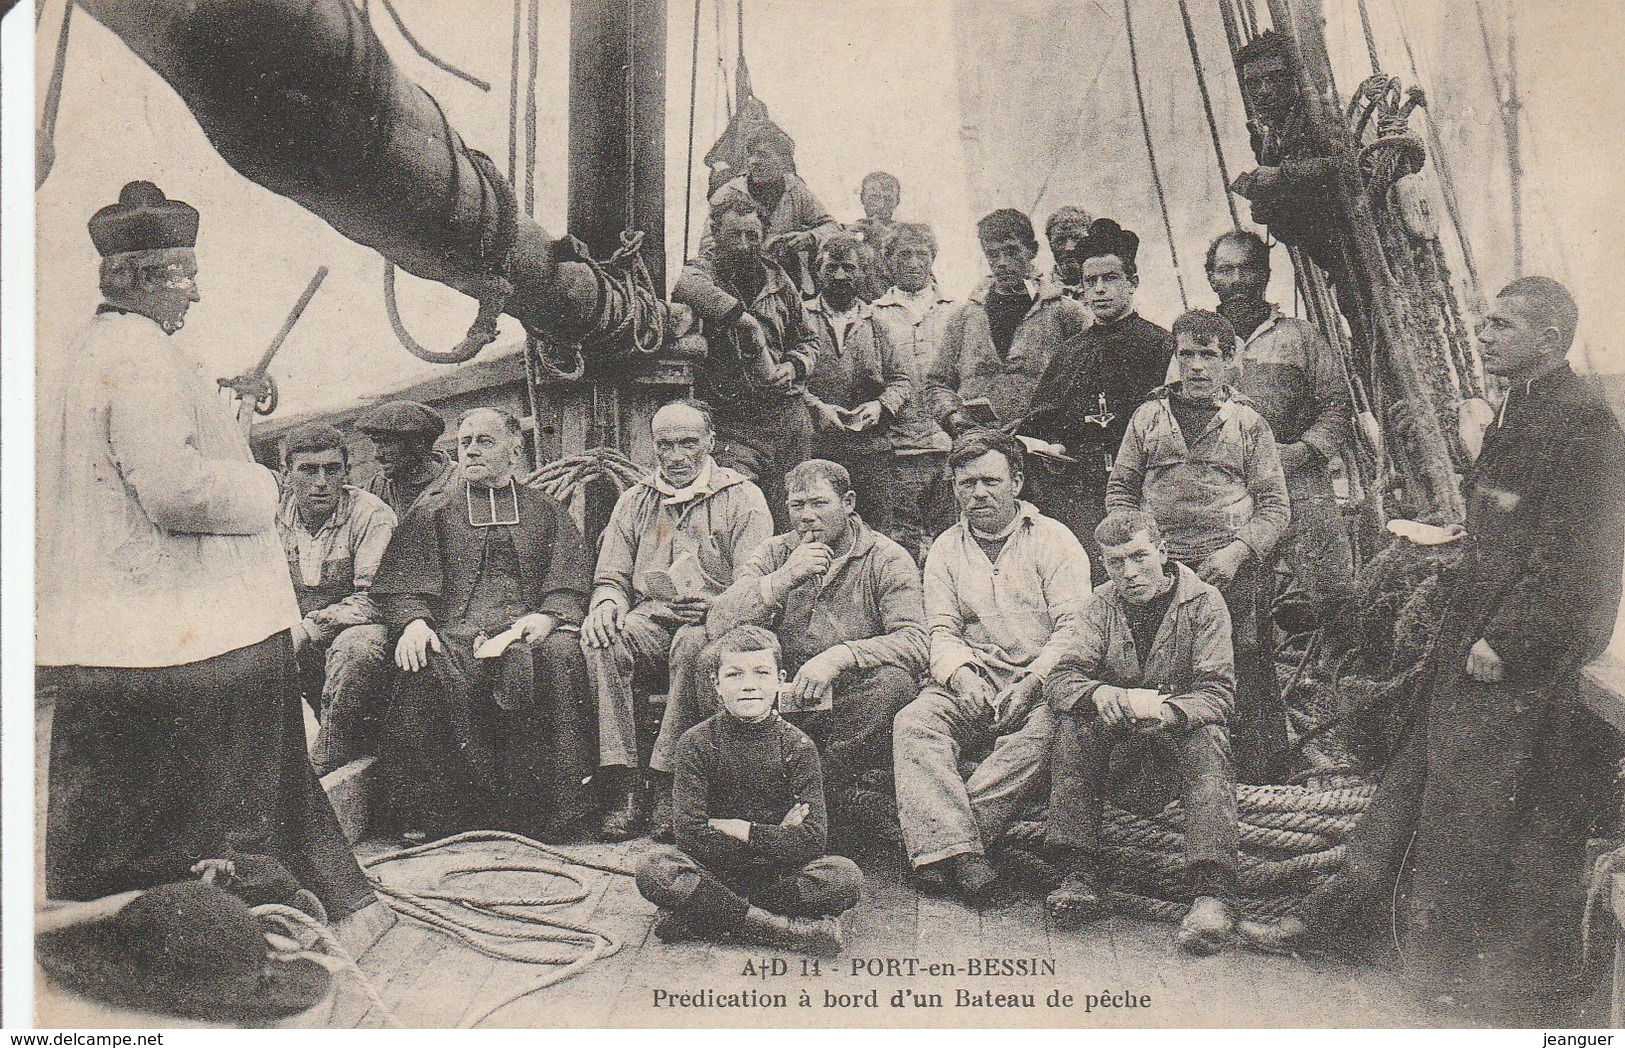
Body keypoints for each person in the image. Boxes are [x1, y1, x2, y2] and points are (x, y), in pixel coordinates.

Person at [1239, 277, 1625, 1023]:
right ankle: (1340, 928)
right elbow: (1506, 531)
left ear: (1547, 341)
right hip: (1468, 641)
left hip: (1511, 660)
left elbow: (1577, 560)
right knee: (1408, 784)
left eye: (1499, 325)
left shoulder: (1584, 429)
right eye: (1481, 321)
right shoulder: (1524, 410)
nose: (1480, 334)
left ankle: (1452, 983)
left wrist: (1507, 641)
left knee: (1471, 814)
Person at [37, 181, 373, 917]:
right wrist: (261, 486)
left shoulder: (97, 349)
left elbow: (140, 467)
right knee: (241, 769)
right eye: (184, 275)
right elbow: (172, 492)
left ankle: (118, 913)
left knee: (121, 808)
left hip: (118, 629)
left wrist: (231, 420)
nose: (196, 291)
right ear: (143, 279)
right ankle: (243, 904)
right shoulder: (143, 356)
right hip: (180, 633)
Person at [370, 407, 596, 841]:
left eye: (484, 442)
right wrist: (415, 622)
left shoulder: (547, 512)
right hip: (455, 631)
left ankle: (551, 815)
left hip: (528, 631)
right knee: (421, 662)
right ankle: (430, 815)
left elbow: (568, 581)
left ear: (515, 452)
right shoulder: (432, 511)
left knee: (562, 656)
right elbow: (403, 586)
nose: (471, 450)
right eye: (465, 442)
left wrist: (548, 616)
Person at [893, 431, 1092, 901]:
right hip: (973, 680)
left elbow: (1074, 630)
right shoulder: (945, 547)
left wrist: (1033, 682)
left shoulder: (1054, 540)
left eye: (990, 481)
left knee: (1041, 740)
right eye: (966, 484)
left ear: (1017, 482)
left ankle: (951, 846)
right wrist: (962, 675)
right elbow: (939, 629)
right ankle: (967, 855)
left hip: (1042, 679)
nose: (978, 494)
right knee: (914, 722)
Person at [1041, 511, 1240, 955]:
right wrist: (1098, 694)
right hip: (1121, 741)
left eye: (1139, 557)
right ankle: (1079, 873)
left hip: (1177, 736)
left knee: (1209, 738)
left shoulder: (1204, 602)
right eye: (1115, 563)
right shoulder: (1100, 605)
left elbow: (1219, 693)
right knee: (1075, 725)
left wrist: (1172, 712)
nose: (1129, 574)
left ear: (1162, 553)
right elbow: (1061, 678)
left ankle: (1211, 891)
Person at [1107, 309, 1290, 784]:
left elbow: (1275, 507)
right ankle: (1164, 776)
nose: (1196, 368)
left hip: (1229, 567)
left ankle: (1260, 775)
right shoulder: (1149, 416)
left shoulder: (1248, 424)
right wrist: (1138, 548)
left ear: (1230, 359)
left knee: (1244, 658)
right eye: (1186, 355)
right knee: (1155, 665)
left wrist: (1236, 553)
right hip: (1160, 566)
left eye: (1208, 356)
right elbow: (1121, 491)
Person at [583, 400, 774, 842]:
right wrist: (607, 603)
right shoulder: (636, 500)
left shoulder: (743, 497)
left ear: (710, 442)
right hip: (650, 618)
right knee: (603, 641)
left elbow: (755, 581)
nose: (676, 456)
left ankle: (669, 782)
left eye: (688, 443)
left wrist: (716, 607)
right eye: (664, 445)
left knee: (691, 647)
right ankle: (624, 781)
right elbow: (611, 573)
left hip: (717, 622)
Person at [704, 459, 927, 816]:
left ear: (848, 502)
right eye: (797, 505)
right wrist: (784, 578)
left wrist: (839, 657)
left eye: (819, 503)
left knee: (893, 683)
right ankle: (741, 787)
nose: (807, 516)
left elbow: (915, 640)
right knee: (711, 659)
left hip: (845, 693)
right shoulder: (775, 552)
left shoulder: (885, 557)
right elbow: (718, 622)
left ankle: (817, 796)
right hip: (780, 688)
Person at [634, 625, 863, 956]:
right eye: (734, 674)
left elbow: (813, 839)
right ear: (716, 683)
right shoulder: (696, 743)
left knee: (843, 877)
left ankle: (706, 915)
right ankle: (778, 929)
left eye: (761, 672)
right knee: (655, 867)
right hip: (715, 871)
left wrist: (738, 828)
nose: (749, 685)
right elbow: (688, 835)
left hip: (772, 878)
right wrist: (777, 834)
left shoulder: (797, 746)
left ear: (779, 678)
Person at [1205, 230, 1355, 646]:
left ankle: (1342, 694)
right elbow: (1177, 415)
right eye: (1225, 270)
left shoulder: (1301, 337)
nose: (1237, 280)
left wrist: (1303, 451)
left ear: (1266, 274)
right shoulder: (1197, 346)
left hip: (1303, 490)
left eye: (1247, 269)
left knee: (1335, 600)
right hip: (1231, 499)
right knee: (1240, 617)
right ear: (1211, 278)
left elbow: (1337, 405)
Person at [1022, 218, 1175, 568]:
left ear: (1132, 282)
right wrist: (1051, 445)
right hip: (1082, 495)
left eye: (1110, 279)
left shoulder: (1161, 345)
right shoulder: (1070, 352)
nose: (1100, 290)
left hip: (1146, 492)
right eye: (1091, 281)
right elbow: (1042, 423)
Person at [674, 195, 820, 531]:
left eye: (752, 236)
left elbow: (809, 338)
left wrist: (794, 365)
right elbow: (683, 284)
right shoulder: (702, 271)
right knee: (736, 513)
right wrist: (743, 320)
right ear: (716, 234)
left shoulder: (778, 279)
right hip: (734, 424)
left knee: (796, 516)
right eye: (734, 235)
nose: (743, 245)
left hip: (787, 422)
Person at [275, 424, 397, 777]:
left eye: (332, 469)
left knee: (355, 648)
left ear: (347, 471)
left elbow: (376, 597)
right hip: (292, 629)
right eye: (308, 470)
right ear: (286, 474)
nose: (321, 482)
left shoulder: (370, 515)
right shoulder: (270, 519)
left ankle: (327, 758)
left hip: (355, 628)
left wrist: (309, 628)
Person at [924, 209, 1091, 436]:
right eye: (992, 254)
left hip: (1045, 448)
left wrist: (1042, 422)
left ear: (1032, 251)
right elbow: (937, 383)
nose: (1001, 263)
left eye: (1012, 252)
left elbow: (1088, 383)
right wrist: (952, 416)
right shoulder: (964, 317)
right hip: (977, 445)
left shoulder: (1065, 313)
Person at [802, 233, 913, 538]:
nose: (840, 276)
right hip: (816, 445)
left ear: (863, 273)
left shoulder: (876, 322)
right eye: (831, 267)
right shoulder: (800, 318)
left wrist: (880, 407)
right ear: (817, 271)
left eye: (849, 268)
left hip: (870, 450)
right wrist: (817, 408)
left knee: (876, 533)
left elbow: (900, 380)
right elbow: (788, 380)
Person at [869, 223, 959, 564]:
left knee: (950, 535)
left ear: (932, 259)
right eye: (904, 254)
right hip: (899, 448)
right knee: (901, 539)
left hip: (946, 444)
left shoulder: (955, 310)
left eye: (921, 254)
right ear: (889, 261)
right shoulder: (874, 314)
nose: (913, 262)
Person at [705, 122, 840, 297]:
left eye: (763, 155)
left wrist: (809, 238)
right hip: (737, 283)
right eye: (751, 155)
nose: (754, 162)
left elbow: (832, 227)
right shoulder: (728, 193)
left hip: (787, 284)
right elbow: (707, 247)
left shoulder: (796, 190)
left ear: (784, 161)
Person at [357, 400, 459, 519]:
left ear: (418, 444)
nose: (377, 454)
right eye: (375, 442)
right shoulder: (378, 487)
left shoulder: (457, 483)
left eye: (387, 443)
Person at [849, 171, 902, 297]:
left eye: (888, 199)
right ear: (862, 198)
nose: (881, 205)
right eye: (874, 197)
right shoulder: (849, 233)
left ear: (897, 201)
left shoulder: (907, 237)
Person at [1043, 205, 1094, 295]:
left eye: (1077, 239)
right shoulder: (1039, 290)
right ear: (1051, 244)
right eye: (1060, 240)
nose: (1069, 248)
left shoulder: (1101, 288)